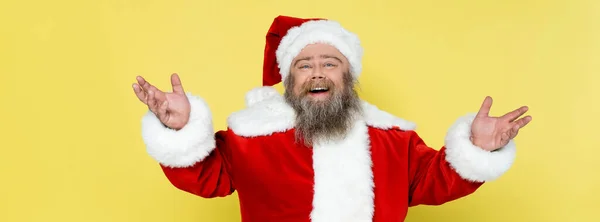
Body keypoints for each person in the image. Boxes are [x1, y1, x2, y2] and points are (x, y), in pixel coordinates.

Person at [131, 15, 532, 222]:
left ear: (348, 75)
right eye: (305, 65)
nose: (318, 72)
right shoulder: (250, 138)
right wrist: (179, 127)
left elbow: (435, 180)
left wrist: (478, 148)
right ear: (289, 79)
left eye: (330, 63)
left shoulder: (392, 139)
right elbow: (204, 177)